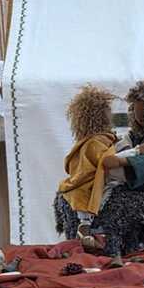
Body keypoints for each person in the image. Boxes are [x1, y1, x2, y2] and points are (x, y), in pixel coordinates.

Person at [54, 79, 144, 260]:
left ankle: (106, 239)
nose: (136, 114)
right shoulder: (124, 138)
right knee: (100, 192)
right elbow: (110, 155)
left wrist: (126, 160)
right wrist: (129, 153)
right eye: (135, 109)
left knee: (115, 201)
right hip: (120, 183)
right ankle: (86, 228)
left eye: (142, 111)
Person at [54, 85, 117, 251]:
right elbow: (88, 169)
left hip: (96, 180)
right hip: (93, 181)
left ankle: (85, 226)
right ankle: (85, 224)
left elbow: (79, 168)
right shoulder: (97, 142)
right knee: (82, 191)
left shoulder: (96, 141)